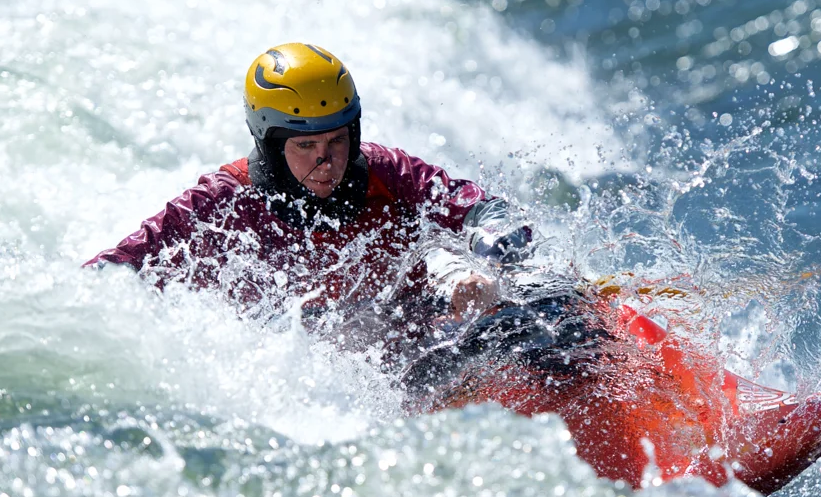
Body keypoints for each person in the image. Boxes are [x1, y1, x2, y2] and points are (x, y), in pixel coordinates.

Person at [87, 42, 532, 348]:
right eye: (305, 146)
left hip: (416, 332)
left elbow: (480, 206)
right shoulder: (221, 203)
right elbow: (115, 269)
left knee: (494, 296)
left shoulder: (387, 172)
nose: (327, 161)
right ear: (270, 143)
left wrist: (493, 236)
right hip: (310, 365)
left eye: (337, 140)